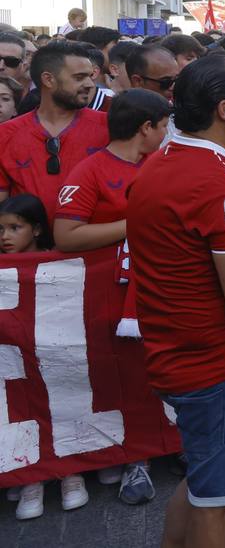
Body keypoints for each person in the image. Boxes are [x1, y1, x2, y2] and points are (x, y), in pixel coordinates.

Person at [126, 53, 225, 548]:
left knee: (203, 484)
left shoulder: (160, 164)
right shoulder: (220, 185)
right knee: (221, 503)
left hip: (180, 357)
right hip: (220, 367)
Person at [51, 88, 170, 504]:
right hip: (114, 300)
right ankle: (135, 460)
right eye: (164, 124)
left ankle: (176, 445)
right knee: (129, 378)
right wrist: (132, 224)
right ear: (146, 128)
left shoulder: (162, 164)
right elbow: (66, 234)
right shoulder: (91, 170)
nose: (168, 132)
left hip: (166, 289)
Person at [1, 192, 92, 521]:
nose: (6, 237)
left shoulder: (60, 260)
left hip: (58, 355)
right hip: (17, 360)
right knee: (23, 409)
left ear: (37, 230)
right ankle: (31, 478)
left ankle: (71, 473)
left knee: (66, 402)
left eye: (15, 228)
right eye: (1, 230)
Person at [0, 42, 109, 221]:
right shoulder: (5, 134)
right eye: (79, 77)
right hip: (29, 247)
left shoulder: (109, 128)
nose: (90, 84)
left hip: (95, 245)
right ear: (48, 79)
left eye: (90, 76)